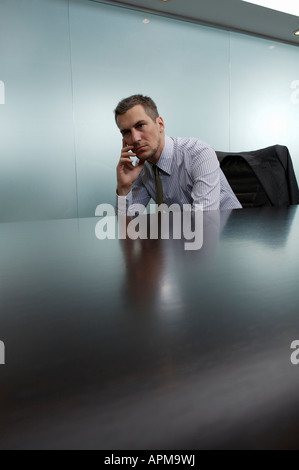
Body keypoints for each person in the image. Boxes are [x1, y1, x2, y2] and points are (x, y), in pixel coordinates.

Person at [115, 94, 242, 213]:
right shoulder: (141, 169)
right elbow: (125, 226)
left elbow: (203, 221)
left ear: (160, 124)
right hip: (187, 232)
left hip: (232, 232)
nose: (135, 138)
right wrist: (124, 188)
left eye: (140, 125)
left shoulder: (198, 153)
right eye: (126, 132)